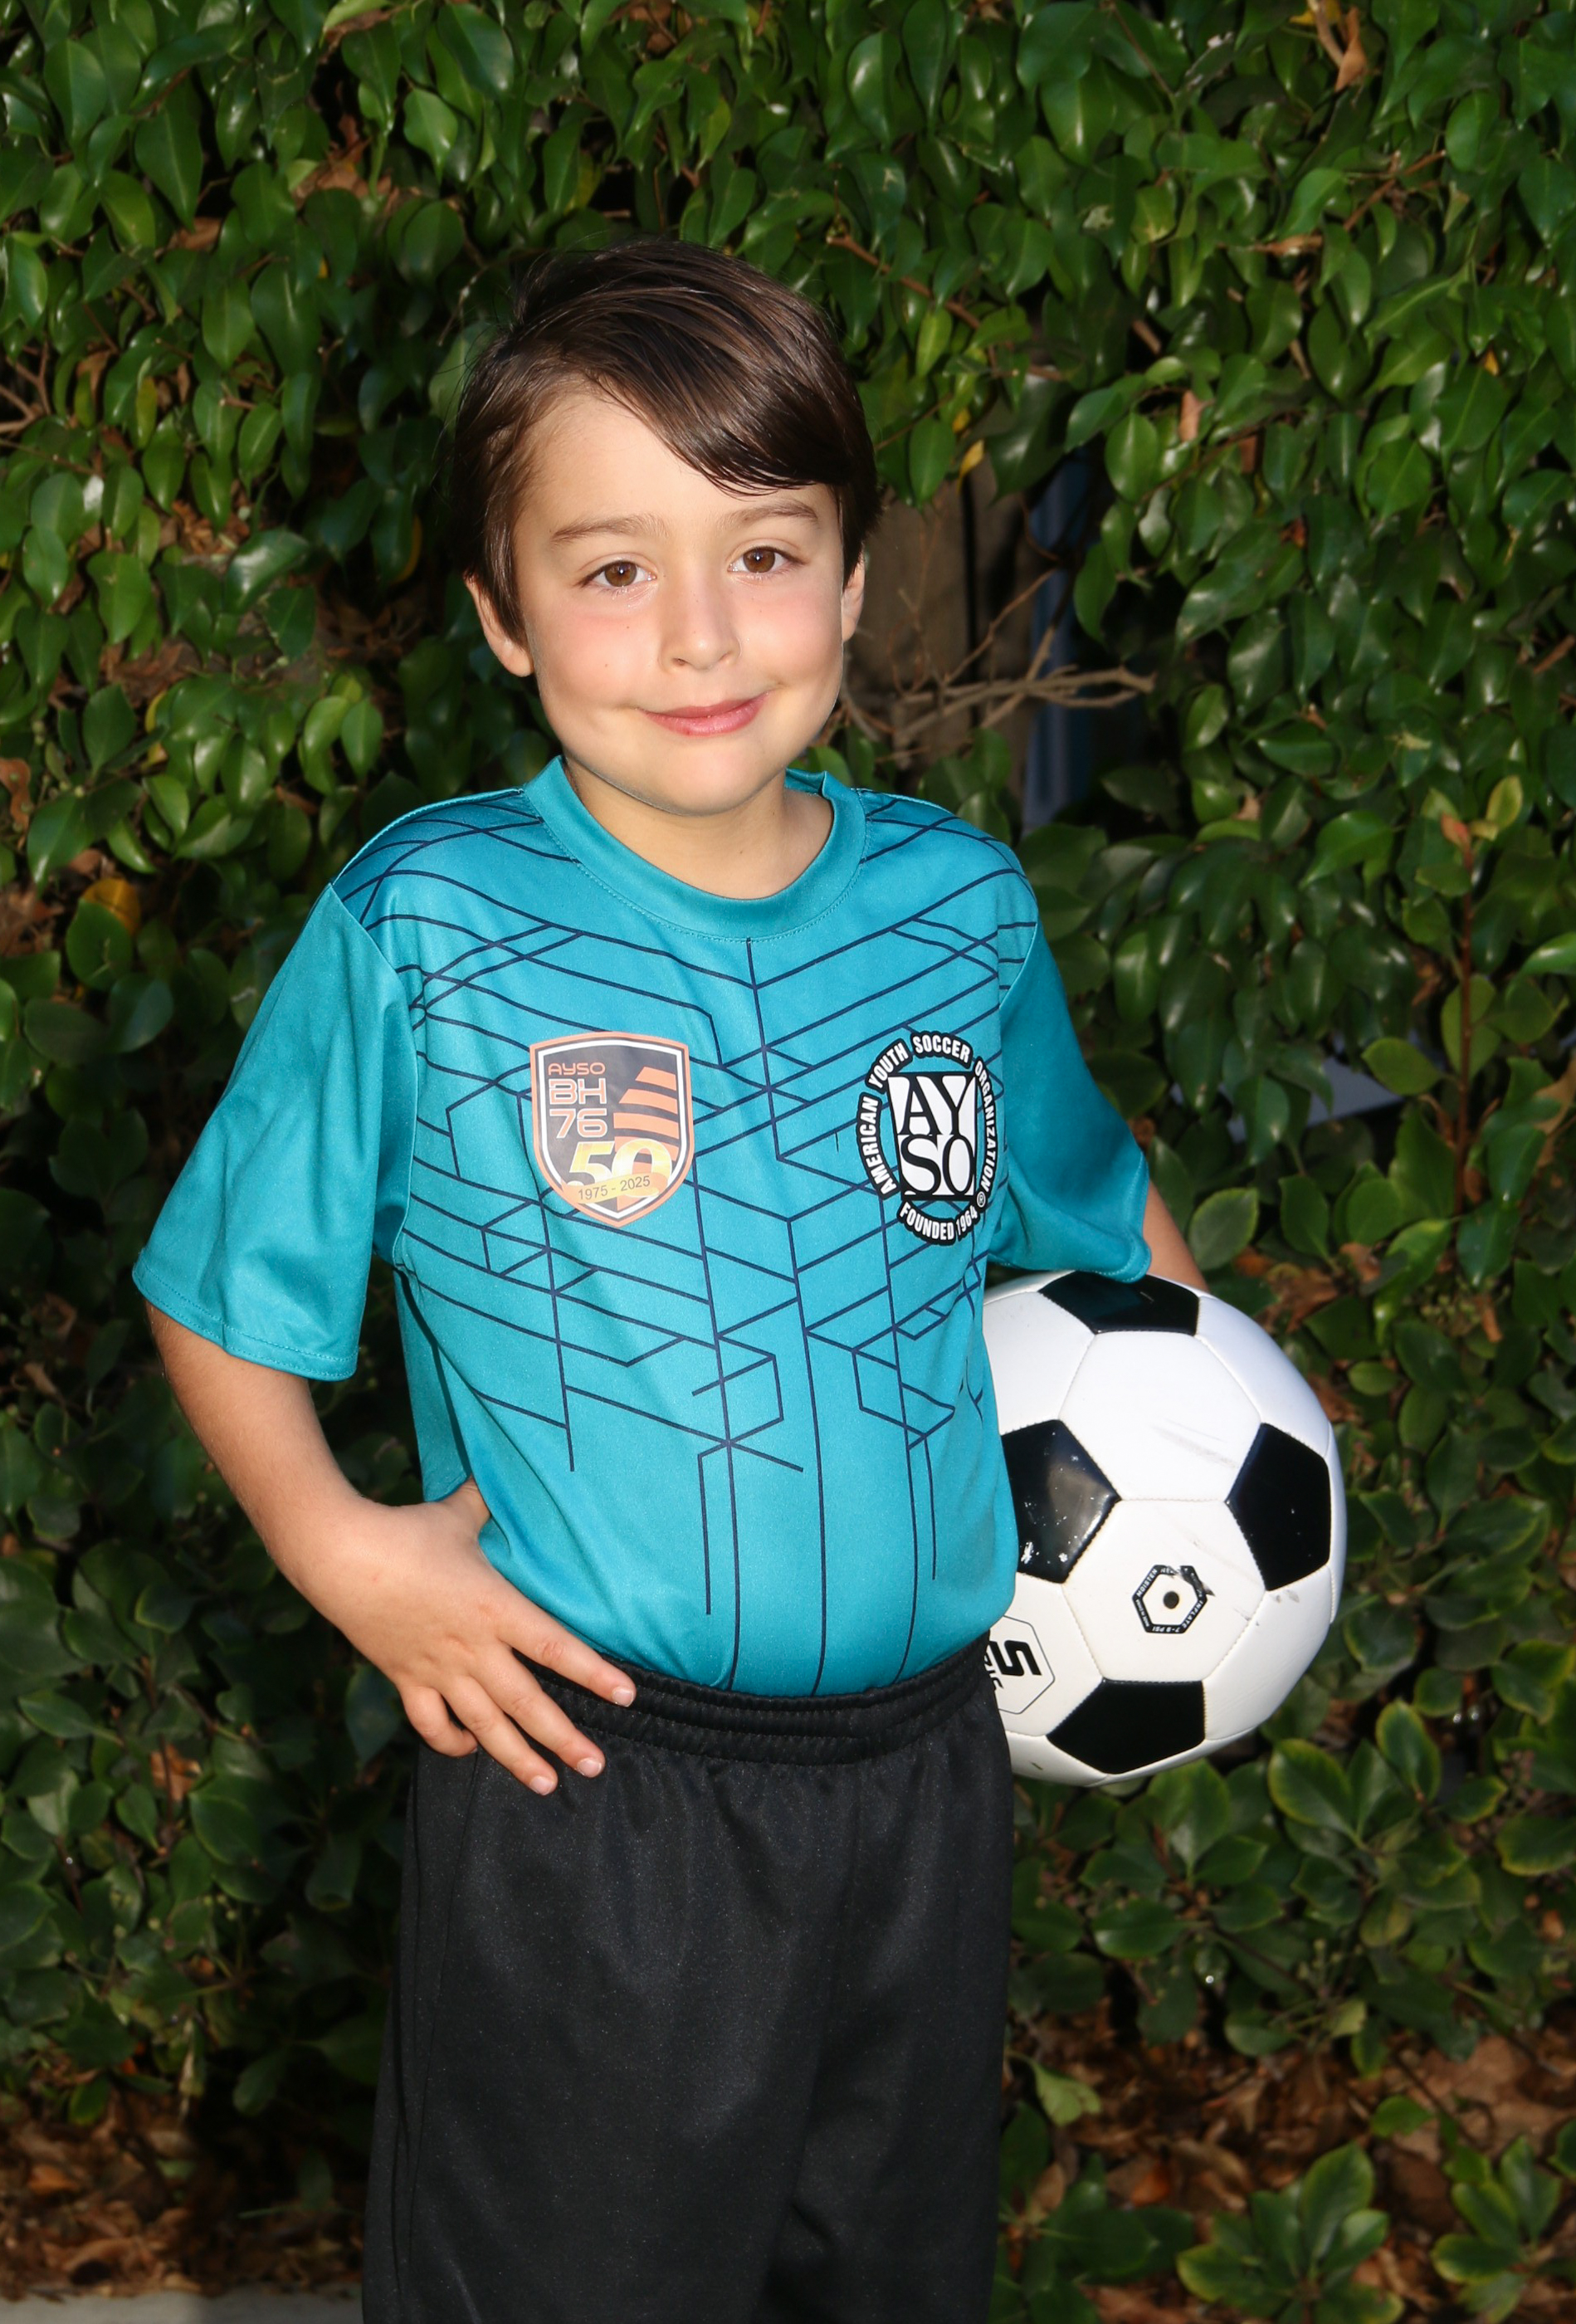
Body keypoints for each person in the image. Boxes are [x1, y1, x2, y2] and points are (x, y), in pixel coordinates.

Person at [134, 239, 1204, 2324]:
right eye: (613, 568)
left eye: (766, 551)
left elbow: (1102, 1219)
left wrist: (1234, 1438)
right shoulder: (432, 922)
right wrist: (343, 1550)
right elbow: (218, 1293)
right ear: (500, 611)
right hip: (590, 1788)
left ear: (855, 577)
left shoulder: (956, 910)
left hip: (926, 1780)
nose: (702, 632)